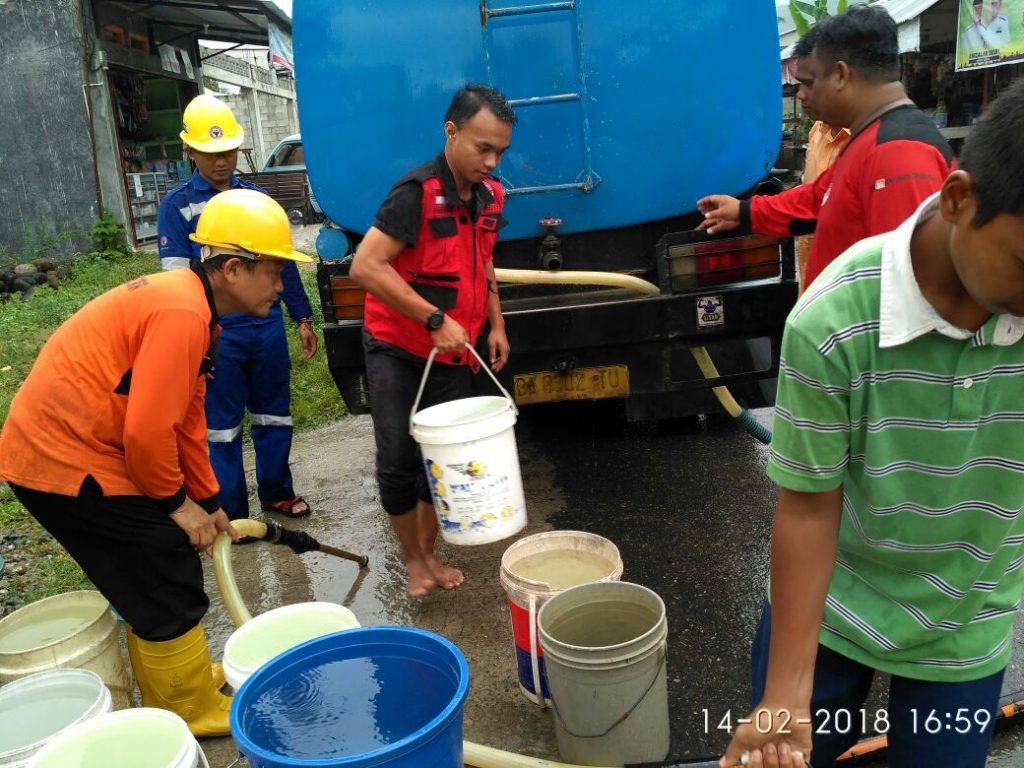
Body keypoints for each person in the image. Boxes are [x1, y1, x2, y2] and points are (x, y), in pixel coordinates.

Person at [719, 78, 1024, 768]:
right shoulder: (835, 318)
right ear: (958, 197)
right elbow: (808, 508)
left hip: (964, 620)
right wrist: (785, 696)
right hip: (831, 607)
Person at [0, 190, 313, 737]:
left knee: (156, 563)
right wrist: (176, 505)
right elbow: (146, 435)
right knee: (160, 560)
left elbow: (185, 420)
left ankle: (180, 682)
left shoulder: (197, 310)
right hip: (62, 457)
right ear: (234, 268)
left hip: (91, 445)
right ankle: (186, 707)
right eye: (276, 271)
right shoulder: (181, 313)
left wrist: (209, 503)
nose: (282, 286)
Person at [349, 84, 516, 597]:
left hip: (454, 350)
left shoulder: (490, 197)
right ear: (451, 131)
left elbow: (483, 260)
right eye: (482, 147)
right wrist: (431, 318)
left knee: (435, 460)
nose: (491, 161)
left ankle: (428, 555)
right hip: (399, 349)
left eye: (500, 152)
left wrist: (496, 323)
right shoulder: (415, 194)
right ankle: (413, 559)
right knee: (398, 458)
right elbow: (365, 266)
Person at [697, 5, 954, 290]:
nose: (802, 94)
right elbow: (816, 200)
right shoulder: (868, 139)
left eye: (808, 82)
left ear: (841, 75)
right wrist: (744, 212)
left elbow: (909, 285)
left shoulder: (898, 153)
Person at [158, 94, 318, 521]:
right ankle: (230, 510)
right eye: (210, 153)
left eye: (227, 151)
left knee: (274, 416)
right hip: (216, 334)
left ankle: (277, 493)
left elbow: (279, 265)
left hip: (264, 328)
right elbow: (177, 282)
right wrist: (195, 343)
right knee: (220, 429)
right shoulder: (177, 206)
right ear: (190, 151)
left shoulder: (256, 198)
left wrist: (301, 317)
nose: (221, 161)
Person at [796, 121, 850, 293]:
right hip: (809, 248)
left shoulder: (860, 139)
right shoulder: (817, 130)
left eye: (811, 91)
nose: (802, 95)